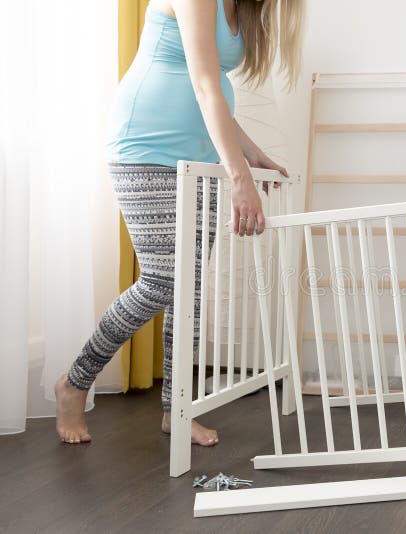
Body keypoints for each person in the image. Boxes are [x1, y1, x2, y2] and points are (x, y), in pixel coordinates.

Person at [54, 0, 305, 445]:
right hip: (146, 145)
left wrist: (249, 152)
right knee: (162, 279)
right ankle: (75, 382)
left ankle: (178, 408)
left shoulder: (244, 7)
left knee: (188, 288)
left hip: (201, 153)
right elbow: (205, 85)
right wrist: (240, 176)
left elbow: (214, 95)